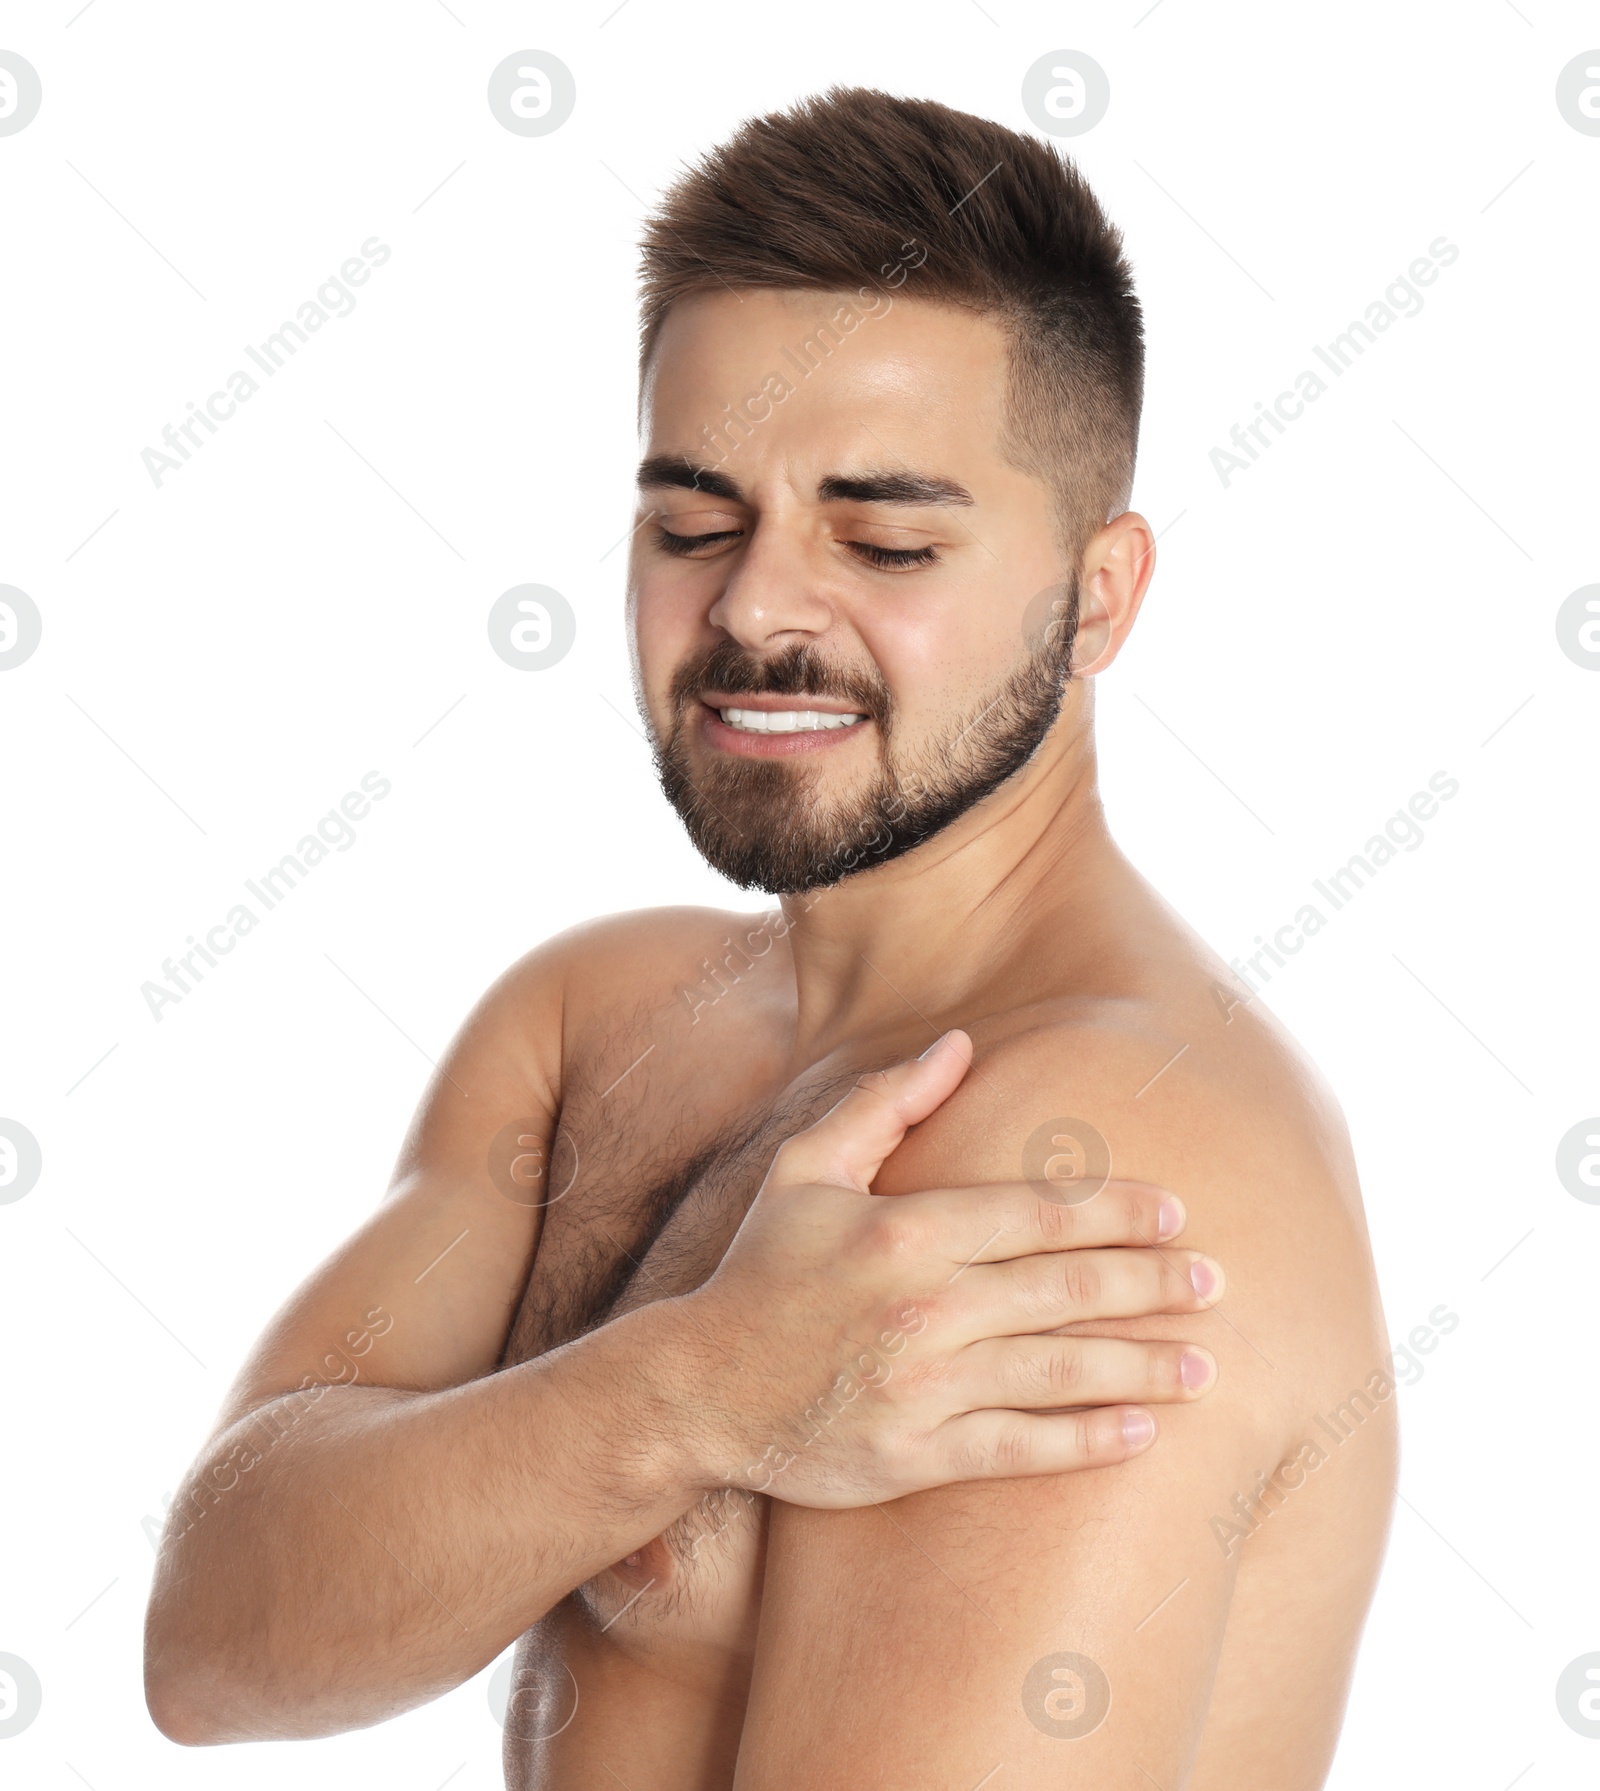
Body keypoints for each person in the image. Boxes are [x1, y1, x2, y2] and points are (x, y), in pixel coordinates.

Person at [144, 86, 1396, 1790]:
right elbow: (214, 1644)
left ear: (1098, 596)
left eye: (884, 538)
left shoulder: (1098, 1147)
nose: (752, 610)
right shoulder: (596, 1022)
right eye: (693, 523)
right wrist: (692, 1391)